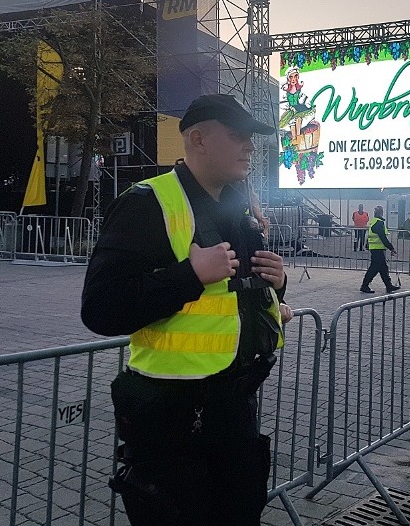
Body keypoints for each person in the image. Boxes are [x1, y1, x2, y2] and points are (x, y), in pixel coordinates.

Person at [81, 93, 293, 526]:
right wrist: (190, 274)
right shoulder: (146, 203)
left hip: (234, 403)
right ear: (197, 139)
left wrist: (276, 289)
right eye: (238, 136)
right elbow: (100, 309)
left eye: (252, 138)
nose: (250, 147)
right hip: (171, 415)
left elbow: (232, 295)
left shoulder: (237, 208)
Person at [360, 205, 400, 294]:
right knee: (374, 268)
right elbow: (383, 237)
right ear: (382, 213)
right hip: (377, 249)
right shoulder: (379, 223)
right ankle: (364, 285)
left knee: (383, 268)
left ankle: (388, 286)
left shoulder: (373, 222)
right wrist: (391, 248)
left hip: (375, 249)